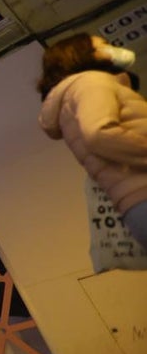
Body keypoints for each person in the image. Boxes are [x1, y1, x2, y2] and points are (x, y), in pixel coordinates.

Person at [38, 33, 147, 250]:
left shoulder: (75, 93)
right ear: (80, 54)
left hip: (133, 200)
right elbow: (99, 134)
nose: (111, 49)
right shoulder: (90, 82)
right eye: (104, 45)